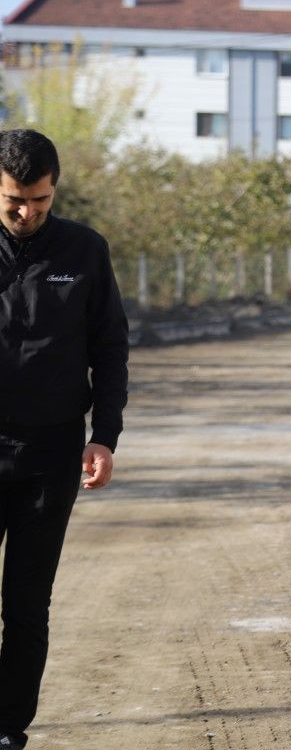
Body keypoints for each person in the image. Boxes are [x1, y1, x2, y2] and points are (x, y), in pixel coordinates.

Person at [0, 129, 129, 749]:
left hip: (51, 457)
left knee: (26, 604)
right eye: (14, 202)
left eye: (41, 202)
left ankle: (8, 728)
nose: (28, 214)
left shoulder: (84, 251)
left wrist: (104, 436)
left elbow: (109, 347)